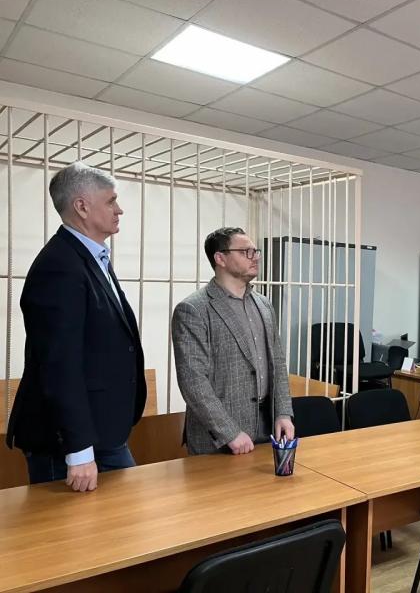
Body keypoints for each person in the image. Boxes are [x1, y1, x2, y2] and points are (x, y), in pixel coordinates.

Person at [5, 162, 146, 491]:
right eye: (111, 201)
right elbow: (59, 364)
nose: (119, 210)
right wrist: (79, 449)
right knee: (76, 526)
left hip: (101, 432)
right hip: (69, 443)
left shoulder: (89, 258)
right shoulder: (60, 266)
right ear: (82, 206)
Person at [172, 227, 294, 455]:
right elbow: (193, 380)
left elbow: (277, 363)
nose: (255, 257)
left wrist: (283, 412)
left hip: (267, 428)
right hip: (218, 438)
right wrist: (229, 432)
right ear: (220, 258)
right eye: (246, 252)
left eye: (255, 251)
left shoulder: (264, 305)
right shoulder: (194, 309)